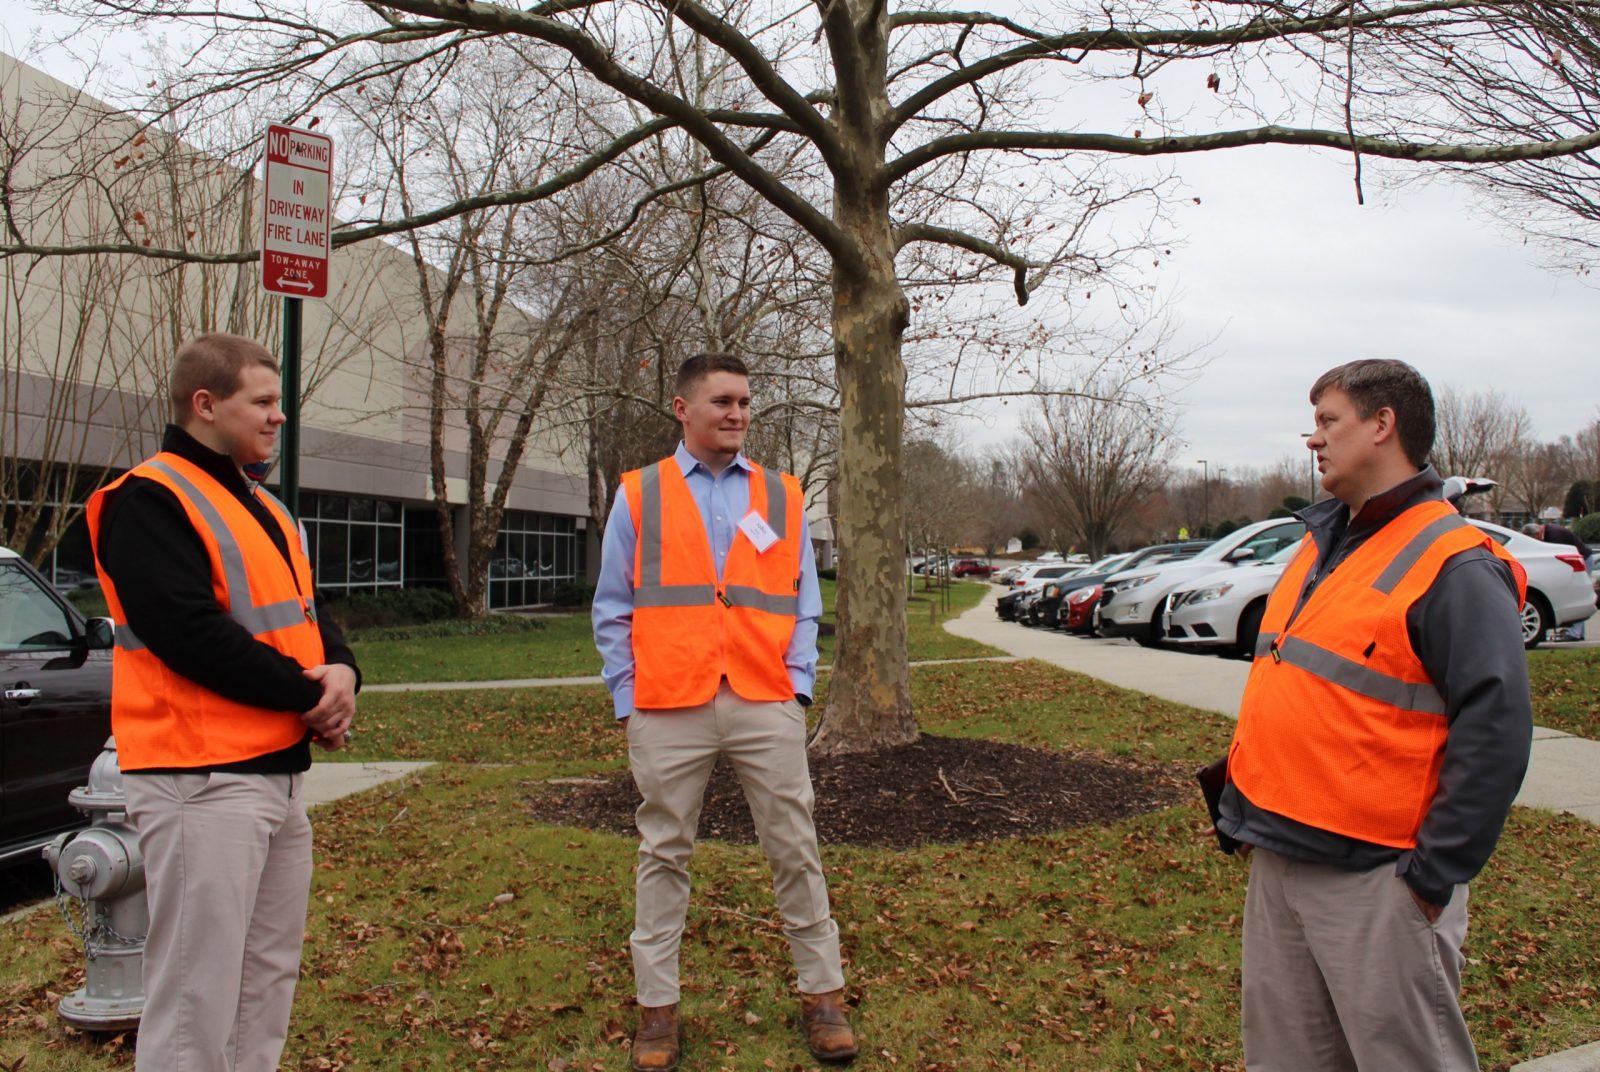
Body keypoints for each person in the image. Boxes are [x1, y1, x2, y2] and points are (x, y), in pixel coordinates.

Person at [1216, 359, 1532, 1071]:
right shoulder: (1322, 540)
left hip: (1378, 881)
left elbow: (1498, 728)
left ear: (1383, 425)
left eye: (1328, 421)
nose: (1313, 439)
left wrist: (1431, 876)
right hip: (1279, 856)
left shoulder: (1454, 562)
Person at [88, 333, 360, 1072]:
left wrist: (342, 672)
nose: (279, 418)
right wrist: (311, 695)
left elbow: (308, 611)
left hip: (274, 772)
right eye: (263, 403)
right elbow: (189, 634)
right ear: (206, 405)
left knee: (265, 977)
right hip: (197, 778)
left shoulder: (261, 504)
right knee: (194, 993)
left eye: (280, 403)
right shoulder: (147, 499)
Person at [592, 353, 856, 1070]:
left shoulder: (782, 493)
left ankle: (823, 997)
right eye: (722, 401)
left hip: (764, 698)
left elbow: (805, 600)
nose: (737, 414)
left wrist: (797, 687)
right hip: (667, 704)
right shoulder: (639, 493)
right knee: (663, 852)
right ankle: (658, 1013)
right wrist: (627, 698)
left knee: (794, 847)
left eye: (744, 402)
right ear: (683, 408)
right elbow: (612, 606)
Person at [1521, 521, 1594, 640]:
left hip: (1583, 560)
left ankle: (1575, 632)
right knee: (1576, 595)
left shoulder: (1555, 535)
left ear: (1538, 533)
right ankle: (1578, 632)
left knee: (1576, 595)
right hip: (1581, 559)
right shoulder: (1550, 532)